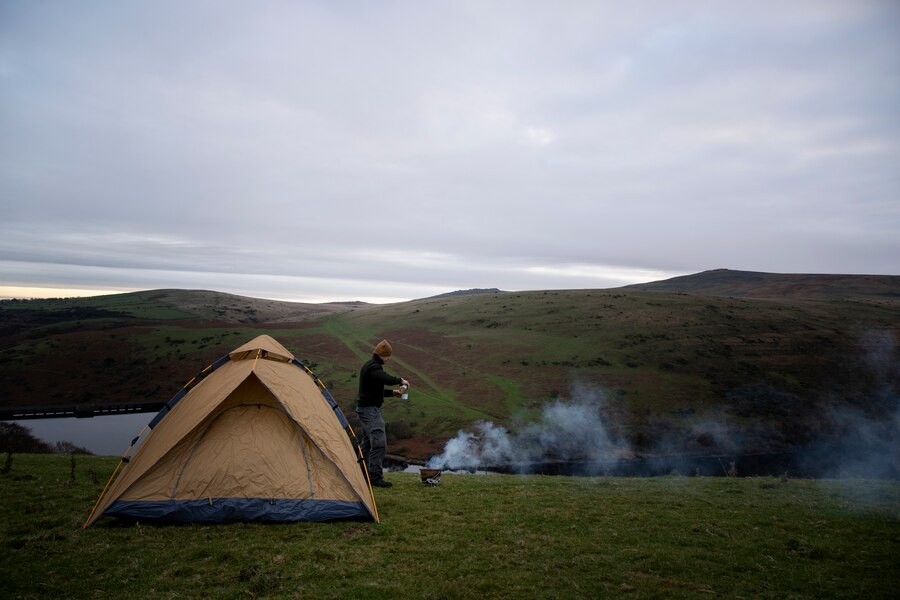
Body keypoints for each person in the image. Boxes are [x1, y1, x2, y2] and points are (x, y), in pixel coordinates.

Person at [355, 339, 409, 488]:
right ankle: (375, 478)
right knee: (379, 443)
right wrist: (401, 381)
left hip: (367, 409)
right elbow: (384, 378)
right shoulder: (374, 367)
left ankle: (363, 476)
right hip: (370, 411)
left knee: (366, 444)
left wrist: (393, 393)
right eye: (388, 355)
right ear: (383, 355)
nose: (389, 358)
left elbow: (374, 391)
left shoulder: (371, 366)